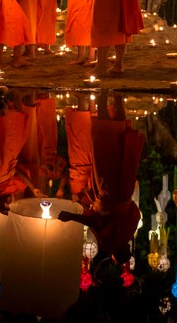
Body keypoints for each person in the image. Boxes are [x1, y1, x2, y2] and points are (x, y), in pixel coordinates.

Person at [58, 90, 144, 264]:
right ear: (114, 253)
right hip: (107, 193)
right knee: (103, 140)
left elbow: (135, 210)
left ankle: (119, 97)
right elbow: (95, 221)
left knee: (120, 138)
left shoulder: (131, 230)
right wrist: (71, 217)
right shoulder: (107, 243)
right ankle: (102, 97)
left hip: (124, 188)